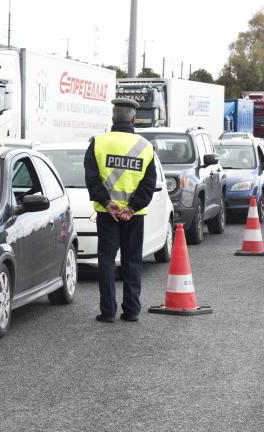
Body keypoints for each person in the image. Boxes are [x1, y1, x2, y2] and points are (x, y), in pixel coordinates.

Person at [84, 98, 157, 323]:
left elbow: (92, 178)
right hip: (134, 216)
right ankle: (132, 310)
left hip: (107, 214)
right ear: (134, 119)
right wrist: (132, 208)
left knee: (106, 262)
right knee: (132, 261)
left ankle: (108, 312)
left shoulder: (98, 142)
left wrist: (107, 203)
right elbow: (149, 183)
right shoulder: (146, 146)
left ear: (113, 118)